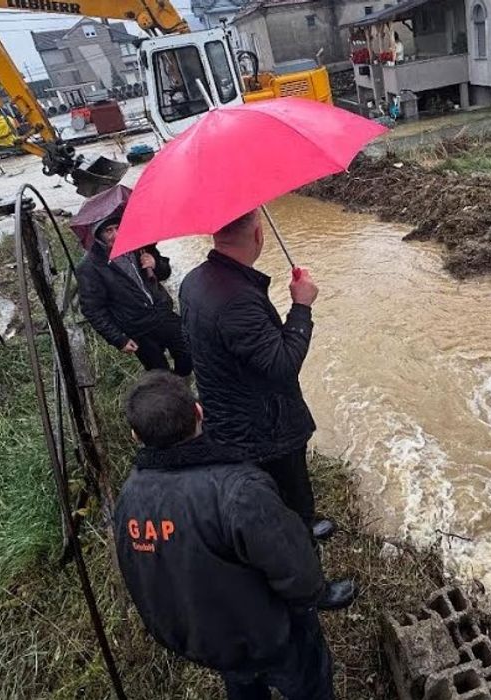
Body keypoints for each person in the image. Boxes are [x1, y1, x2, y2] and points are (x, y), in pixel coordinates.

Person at [114, 371, 355, 700]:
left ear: (135, 436)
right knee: (308, 683)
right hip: (269, 637)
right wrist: (309, 602)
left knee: (242, 685)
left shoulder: (128, 497)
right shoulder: (239, 490)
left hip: (207, 642)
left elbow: (140, 576)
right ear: (199, 413)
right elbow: (298, 572)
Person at [179, 209, 333, 540]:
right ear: (259, 234)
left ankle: (292, 528)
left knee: (261, 493)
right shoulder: (235, 300)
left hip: (227, 413)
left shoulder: (195, 280)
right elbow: (282, 366)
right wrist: (302, 306)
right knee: (288, 494)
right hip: (261, 429)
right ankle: (303, 558)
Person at [77, 215, 192, 375]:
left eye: (118, 228)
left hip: (164, 315)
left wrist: (155, 263)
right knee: (159, 374)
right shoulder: (91, 267)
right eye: (108, 231)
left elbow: (164, 273)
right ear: (98, 234)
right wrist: (118, 339)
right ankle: (171, 393)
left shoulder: (139, 245)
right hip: (138, 329)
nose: (116, 235)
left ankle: (180, 383)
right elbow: (93, 310)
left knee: (188, 356)